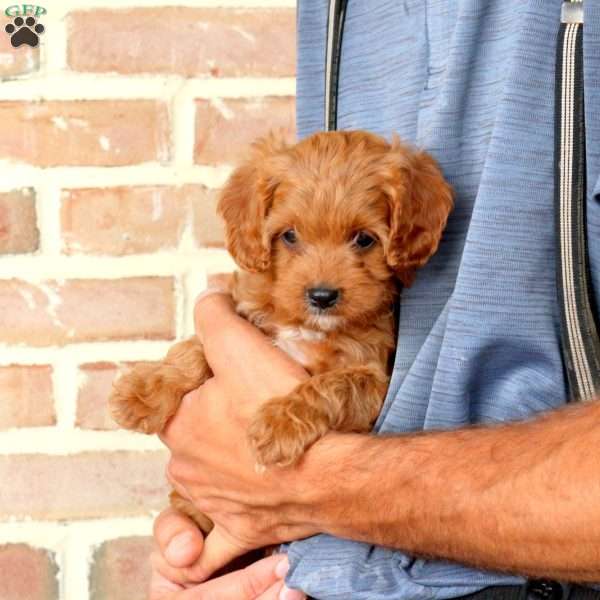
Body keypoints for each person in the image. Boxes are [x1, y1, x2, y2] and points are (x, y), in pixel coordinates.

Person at [149, 1, 600, 599]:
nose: (323, 274)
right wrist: (222, 511)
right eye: (292, 237)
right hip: (300, 574)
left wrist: (311, 486)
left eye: (364, 241)